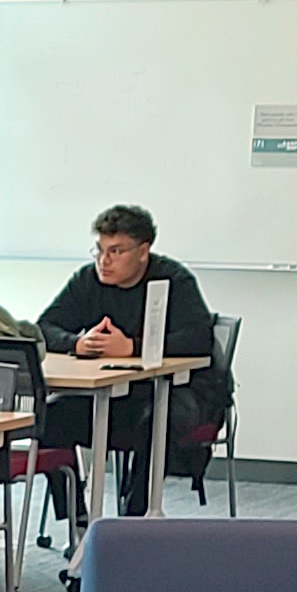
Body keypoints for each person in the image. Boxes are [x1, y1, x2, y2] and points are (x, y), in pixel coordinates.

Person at [35, 203, 224, 512]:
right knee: (48, 418)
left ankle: (135, 519)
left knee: (155, 424)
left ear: (143, 252)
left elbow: (199, 339)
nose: (104, 261)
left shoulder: (174, 280)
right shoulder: (88, 280)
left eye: (116, 251)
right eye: (99, 250)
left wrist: (133, 347)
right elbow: (44, 327)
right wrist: (77, 343)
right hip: (116, 395)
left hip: (179, 393)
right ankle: (76, 517)